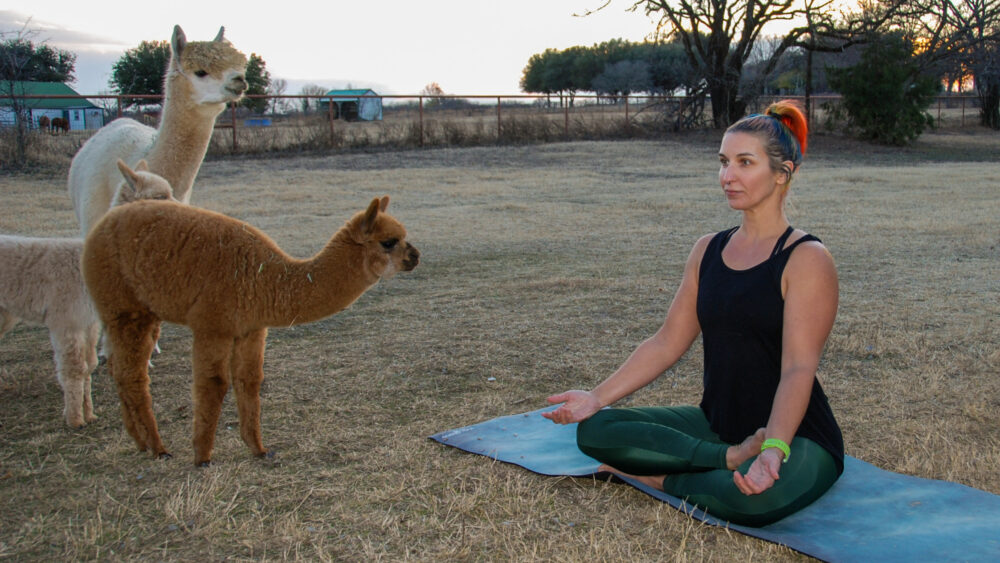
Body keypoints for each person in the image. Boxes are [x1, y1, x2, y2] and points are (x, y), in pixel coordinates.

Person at [543, 100, 844, 527]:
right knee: (595, 430)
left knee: (754, 501)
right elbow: (667, 342)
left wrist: (773, 449)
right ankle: (723, 460)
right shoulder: (708, 250)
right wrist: (595, 397)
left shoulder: (806, 258)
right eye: (723, 162)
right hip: (717, 427)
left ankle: (661, 478)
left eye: (744, 163)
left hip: (798, 437)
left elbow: (798, 368)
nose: (727, 177)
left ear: (783, 172)